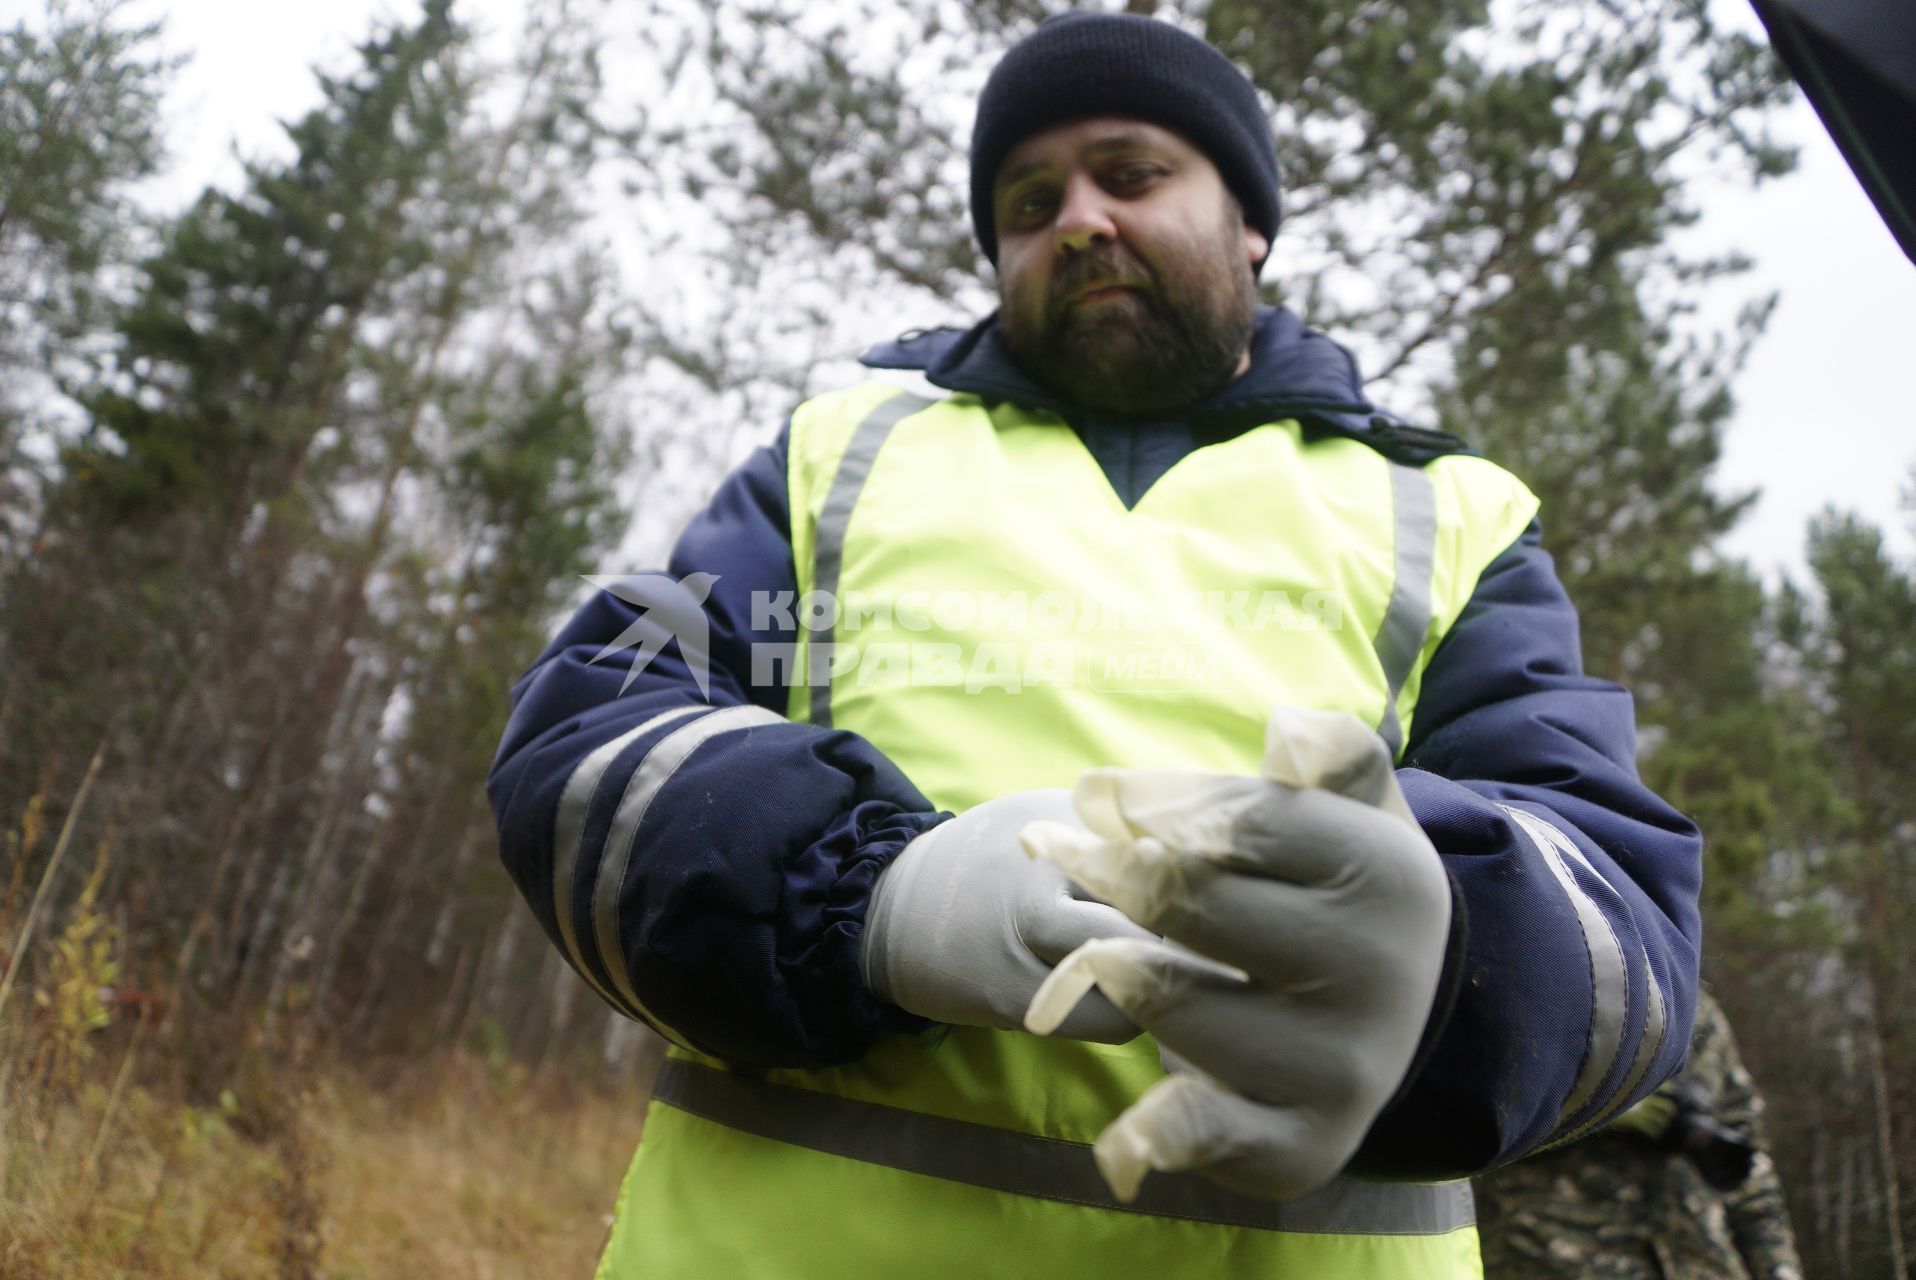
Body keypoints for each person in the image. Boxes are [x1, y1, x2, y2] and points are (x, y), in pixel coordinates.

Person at [487, 13, 1704, 1277]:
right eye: (1026, 203)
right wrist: (869, 901)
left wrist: (1454, 962)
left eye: (1129, 175)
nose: (1074, 220)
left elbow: (1624, 913)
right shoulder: (840, 452)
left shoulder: (1447, 509)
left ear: (1249, 222)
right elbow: (593, 737)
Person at [1477, 989, 1806, 1280]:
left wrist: (1779, 1270)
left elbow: (1750, 1176)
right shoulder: (1540, 976)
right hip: (1556, 1254)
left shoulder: (1696, 1010)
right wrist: (1598, 1109)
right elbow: (1473, 1109)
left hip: (1699, 1261)